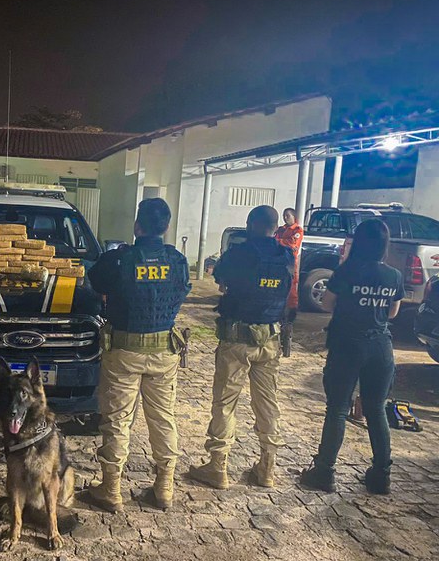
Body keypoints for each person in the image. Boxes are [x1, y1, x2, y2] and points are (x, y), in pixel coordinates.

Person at [87, 198, 191, 512]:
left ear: (137, 226)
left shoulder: (119, 260)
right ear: (167, 227)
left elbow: (95, 283)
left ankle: (111, 490)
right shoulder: (177, 260)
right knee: (163, 419)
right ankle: (164, 489)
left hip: (124, 350)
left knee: (118, 420)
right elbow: (183, 291)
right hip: (164, 350)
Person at [188, 205, 293, 490]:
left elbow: (221, 281)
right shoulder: (286, 256)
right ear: (275, 227)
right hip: (270, 340)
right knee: (267, 404)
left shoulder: (239, 253)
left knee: (225, 403)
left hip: (237, 339)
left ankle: (218, 468)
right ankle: (267, 468)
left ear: (250, 224)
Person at [300, 219, 403, 495]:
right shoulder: (393, 275)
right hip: (380, 347)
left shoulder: (347, 271)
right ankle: (381, 475)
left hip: (347, 345)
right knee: (376, 409)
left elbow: (326, 303)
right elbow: (393, 312)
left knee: (337, 408)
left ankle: (324, 471)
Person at [275, 208, 303, 357]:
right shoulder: (281, 229)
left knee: (291, 294)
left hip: (290, 265)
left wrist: (279, 242)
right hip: (278, 264)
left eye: (288, 215)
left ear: (294, 217)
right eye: (284, 215)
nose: (285, 218)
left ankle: (289, 322)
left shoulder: (297, 230)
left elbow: (293, 245)